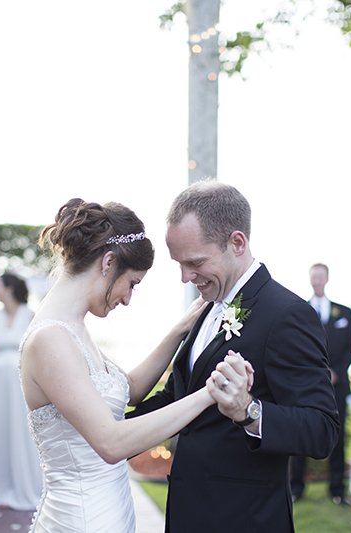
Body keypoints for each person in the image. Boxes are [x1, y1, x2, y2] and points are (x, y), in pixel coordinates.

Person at [20, 198, 244, 532]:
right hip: (81, 520)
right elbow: (111, 443)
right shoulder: (50, 339)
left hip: (108, 510)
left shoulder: (72, 328)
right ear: (108, 262)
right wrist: (210, 394)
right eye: (132, 284)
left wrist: (181, 329)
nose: (126, 298)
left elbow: (129, 390)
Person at [128, 180, 340, 532]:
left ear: (237, 243)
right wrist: (108, 423)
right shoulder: (207, 306)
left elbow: (322, 430)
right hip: (188, 511)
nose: (184, 277)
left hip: (244, 518)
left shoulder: (286, 314)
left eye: (194, 262)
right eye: (178, 264)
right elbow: (178, 397)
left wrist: (249, 411)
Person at [289, 262, 351, 504]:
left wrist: (336, 372)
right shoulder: (298, 310)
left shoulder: (343, 312)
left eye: (321, 276)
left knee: (337, 438)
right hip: (306, 387)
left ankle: (337, 490)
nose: (317, 280)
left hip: (336, 386)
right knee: (300, 434)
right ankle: (296, 487)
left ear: (326, 279)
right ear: (310, 279)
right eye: (314, 277)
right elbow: (294, 348)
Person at [0, 272, 42, 509]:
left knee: (21, 428)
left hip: (20, 377)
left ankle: (23, 486)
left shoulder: (31, 315)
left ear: (9, 289)